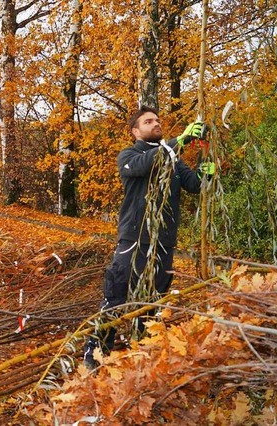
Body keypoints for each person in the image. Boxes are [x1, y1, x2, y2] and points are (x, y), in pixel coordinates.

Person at [83, 106, 214, 370]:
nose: (156, 123)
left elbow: (194, 184)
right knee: (116, 297)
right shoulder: (129, 156)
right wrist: (181, 140)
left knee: (152, 304)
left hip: (164, 243)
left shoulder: (174, 159)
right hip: (135, 239)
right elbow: (150, 161)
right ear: (135, 131)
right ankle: (94, 359)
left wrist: (206, 171)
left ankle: (141, 358)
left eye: (157, 120)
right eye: (148, 121)